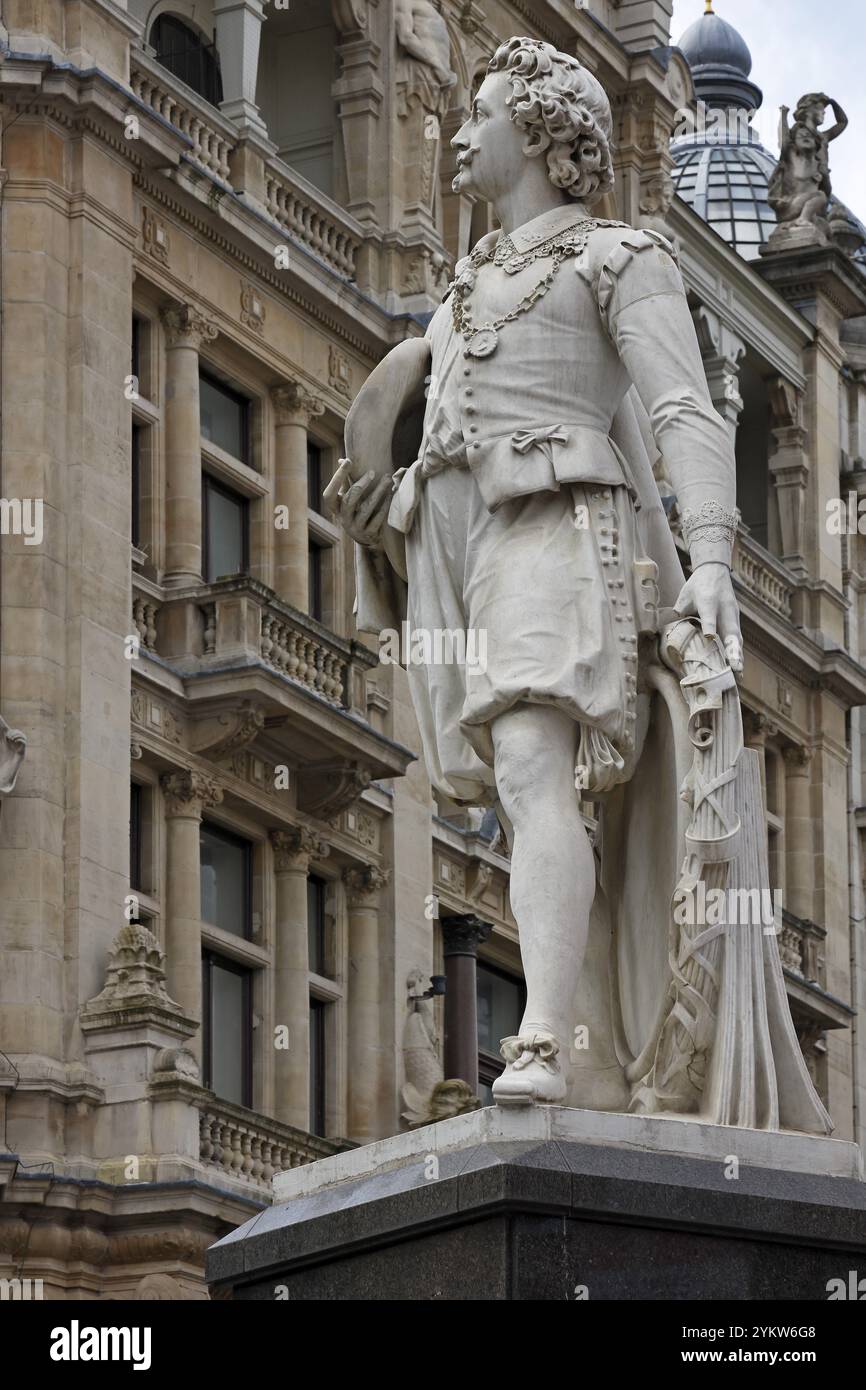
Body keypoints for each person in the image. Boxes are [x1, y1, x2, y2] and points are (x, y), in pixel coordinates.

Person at [336, 36, 741, 1104]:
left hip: (557, 525)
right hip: (454, 552)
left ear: (541, 133)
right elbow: (423, 449)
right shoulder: (460, 296)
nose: (458, 131)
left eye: (480, 113)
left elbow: (681, 409)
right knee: (521, 792)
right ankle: (586, 1036)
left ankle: (544, 1041)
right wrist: (378, 519)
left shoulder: (617, 257)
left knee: (528, 763)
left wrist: (708, 557)